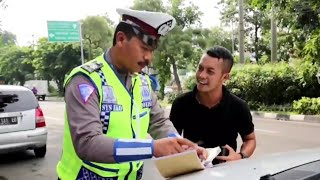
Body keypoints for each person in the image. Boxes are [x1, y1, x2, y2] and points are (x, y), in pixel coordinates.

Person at [56, 8, 207, 180]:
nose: (149, 58)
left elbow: (158, 121)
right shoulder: (86, 80)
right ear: (121, 39)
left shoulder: (142, 81)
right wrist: (152, 148)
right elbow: (88, 143)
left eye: (152, 50)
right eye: (144, 48)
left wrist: (179, 146)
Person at [170, 46, 256, 163]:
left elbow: (250, 139)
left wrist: (240, 156)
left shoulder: (238, 107)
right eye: (200, 68)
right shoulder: (181, 104)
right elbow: (172, 139)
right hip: (191, 170)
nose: (201, 75)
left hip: (227, 172)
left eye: (210, 71)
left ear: (225, 77)